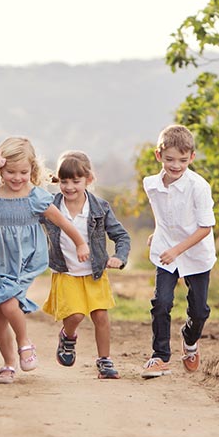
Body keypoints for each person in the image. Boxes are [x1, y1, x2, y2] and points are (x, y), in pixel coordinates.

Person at [0, 136, 90, 384]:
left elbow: (62, 221)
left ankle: (24, 343)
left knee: (9, 304)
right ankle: (8, 364)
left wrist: (80, 242)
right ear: (0, 169)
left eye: (23, 172)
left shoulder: (35, 197)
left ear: (32, 170)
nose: (17, 178)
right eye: (11, 172)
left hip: (25, 260)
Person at [42, 151, 131, 379]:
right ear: (57, 180)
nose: (69, 187)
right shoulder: (50, 207)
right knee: (75, 315)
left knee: (100, 316)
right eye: (64, 181)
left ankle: (104, 360)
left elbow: (121, 236)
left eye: (76, 181)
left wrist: (119, 257)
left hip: (95, 272)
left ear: (88, 180)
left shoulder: (99, 208)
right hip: (66, 272)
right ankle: (68, 336)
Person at [141, 124, 216, 378]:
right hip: (166, 251)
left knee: (199, 310)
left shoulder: (199, 187)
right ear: (158, 155)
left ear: (192, 158)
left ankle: (190, 340)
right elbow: (164, 214)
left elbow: (205, 228)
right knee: (161, 303)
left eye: (183, 160)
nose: (176, 165)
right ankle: (159, 356)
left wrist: (176, 249)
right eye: (170, 159)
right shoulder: (151, 185)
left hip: (195, 253)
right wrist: (158, 232)